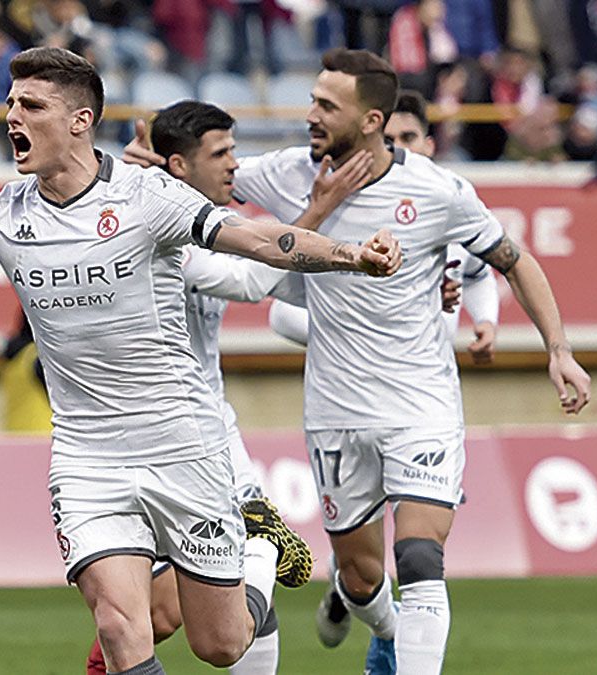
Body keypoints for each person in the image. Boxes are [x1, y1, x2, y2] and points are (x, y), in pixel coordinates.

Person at [0, 46, 403, 674]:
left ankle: (257, 551)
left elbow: (259, 239)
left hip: (183, 447)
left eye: (30, 105)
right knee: (122, 628)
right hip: (87, 459)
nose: (12, 117)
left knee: (220, 644)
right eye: (9, 103)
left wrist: (351, 255)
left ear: (80, 121)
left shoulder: (147, 199)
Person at [126, 48, 590, 675]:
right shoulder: (287, 172)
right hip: (335, 410)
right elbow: (207, 179)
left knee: (421, 558)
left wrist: (558, 351)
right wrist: (147, 172)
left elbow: (513, 261)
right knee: (361, 574)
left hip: (420, 403)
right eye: (313, 99)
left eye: (325, 105)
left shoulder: (438, 191)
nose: (310, 114)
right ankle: (386, 630)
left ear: (371, 119)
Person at [84, 99, 372, 675]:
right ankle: (260, 543)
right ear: (179, 166)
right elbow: (250, 279)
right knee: (154, 613)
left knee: (173, 616)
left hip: (202, 434)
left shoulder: (205, 225)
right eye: (221, 154)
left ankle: (256, 545)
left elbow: (279, 287)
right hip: (140, 440)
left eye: (234, 150)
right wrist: (317, 208)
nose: (235, 165)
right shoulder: (156, 229)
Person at [270, 89, 501, 366]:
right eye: (389, 140)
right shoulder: (347, 214)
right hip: (355, 388)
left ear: (429, 146)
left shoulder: (454, 208)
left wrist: (486, 320)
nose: (400, 148)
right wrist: (381, 331)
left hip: (431, 391)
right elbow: (282, 314)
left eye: (409, 138)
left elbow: (477, 275)